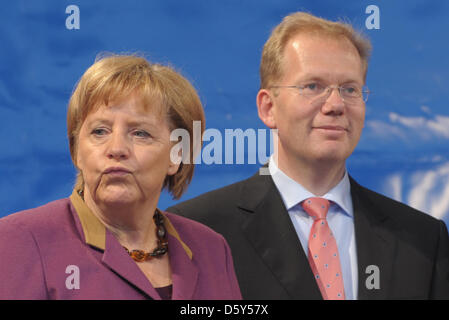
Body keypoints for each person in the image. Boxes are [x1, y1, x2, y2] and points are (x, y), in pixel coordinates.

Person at [167, 12, 449, 299]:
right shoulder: (196, 231)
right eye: (313, 86)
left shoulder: (424, 239)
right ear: (268, 108)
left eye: (350, 89)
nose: (335, 104)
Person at [0, 54, 242, 300]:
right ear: (76, 152)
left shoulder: (211, 249)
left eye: (140, 133)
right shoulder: (22, 241)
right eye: (99, 131)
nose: (116, 148)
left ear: (176, 155)